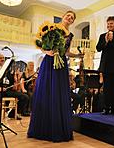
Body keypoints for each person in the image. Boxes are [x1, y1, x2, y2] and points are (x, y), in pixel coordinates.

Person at [27, 11, 83, 142]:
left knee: (59, 94)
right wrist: (47, 51)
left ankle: (59, 128)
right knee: (46, 92)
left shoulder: (71, 35)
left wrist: (78, 56)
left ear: (72, 21)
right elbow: (41, 44)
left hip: (62, 65)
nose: (69, 18)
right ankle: (44, 128)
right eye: (68, 15)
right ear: (63, 17)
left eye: (72, 18)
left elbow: (67, 52)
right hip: (49, 62)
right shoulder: (52, 27)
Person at [96, 16, 114, 115]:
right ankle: (106, 108)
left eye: (111, 24)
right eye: (108, 24)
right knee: (106, 88)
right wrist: (106, 41)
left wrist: (112, 39)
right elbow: (98, 48)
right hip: (106, 65)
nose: (109, 25)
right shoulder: (102, 36)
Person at [0, 53, 29, 123]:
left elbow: (11, 82)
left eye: (3, 58)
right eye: (0, 58)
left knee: (25, 97)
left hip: (7, 90)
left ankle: (12, 113)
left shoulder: (8, 70)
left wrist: (17, 79)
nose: (2, 59)